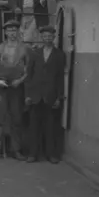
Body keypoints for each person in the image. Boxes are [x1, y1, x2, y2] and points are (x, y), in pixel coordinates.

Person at [0, 20, 29, 161]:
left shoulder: (24, 48)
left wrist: (20, 80)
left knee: (17, 119)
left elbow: (29, 70)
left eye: (14, 30)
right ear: (5, 32)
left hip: (17, 87)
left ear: (18, 31)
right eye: (9, 30)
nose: (12, 33)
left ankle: (16, 150)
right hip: (1, 86)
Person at [24, 25, 65, 163]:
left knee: (50, 127)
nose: (47, 38)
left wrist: (59, 97)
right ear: (41, 37)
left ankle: (51, 154)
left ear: (54, 37)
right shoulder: (35, 53)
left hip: (50, 96)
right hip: (35, 96)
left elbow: (60, 77)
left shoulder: (59, 55)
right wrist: (27, 94)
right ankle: (32, 154)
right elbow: (29, 75)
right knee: (33, 126)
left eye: (50, 36)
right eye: (45, 36)